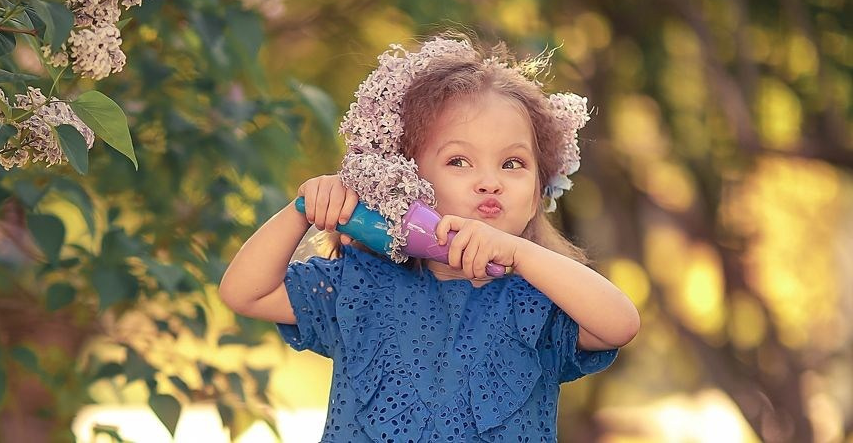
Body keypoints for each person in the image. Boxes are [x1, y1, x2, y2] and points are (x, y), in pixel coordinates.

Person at [219, 36, 640, 442]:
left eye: (513, 163)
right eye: (459, 161)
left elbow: (619, 325)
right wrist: (302, 209)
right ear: (404, 180)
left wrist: (519, 253)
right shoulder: (358, 288)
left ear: (536, 196)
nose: (490, 181)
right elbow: (245, 293)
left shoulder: (541, 302)